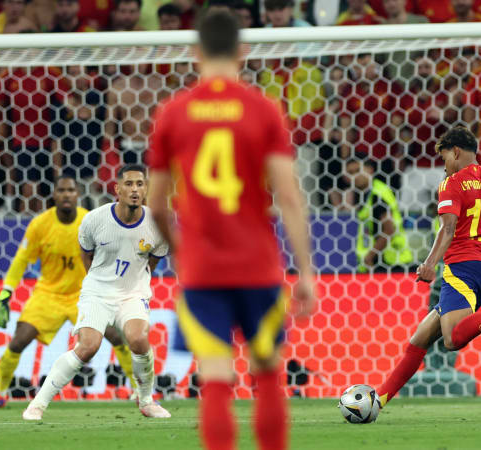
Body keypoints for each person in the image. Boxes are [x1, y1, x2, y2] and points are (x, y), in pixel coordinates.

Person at [146, 11, 316, 450]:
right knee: (266, 373)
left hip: (204, 270)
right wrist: (306, 272)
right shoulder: (262, 110)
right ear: (243, 52)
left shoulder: (174, 113)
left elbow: (156, 204)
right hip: (258, 265)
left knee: (217, 379)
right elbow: (289, 198)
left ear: (196, 53)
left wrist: (181, 247)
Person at [377, 126, 481, 408]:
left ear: (455, 151)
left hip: (461, 268)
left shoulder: (451, 184)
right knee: (419, 340)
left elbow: (448, 228)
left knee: (451, 339)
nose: (444, 167)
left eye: (444, 159)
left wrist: (429, 264)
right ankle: (378, 399)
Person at [22, 164, 170, 420]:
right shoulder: (94, 220)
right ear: (117, 189)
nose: (135, 189)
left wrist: (133, 283)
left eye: (140, 184)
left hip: (133, 293)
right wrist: (101, 282)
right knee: (88, 346)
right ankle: (37, 404)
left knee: (138, 340)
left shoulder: (157, 224)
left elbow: (151, 263)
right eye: (129, 184)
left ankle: (146, 401)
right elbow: (86, 257)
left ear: (146, 189)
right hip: (98, 292)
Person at [0, 175, 136, 410]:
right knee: (19, 340)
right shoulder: (40, 225)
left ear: (77, 194)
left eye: (71, 190)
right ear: (54, 195)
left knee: (117, 336)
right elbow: (20, 261)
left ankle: (139, 390)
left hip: (85, 294)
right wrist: (5, 294)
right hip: (48, 295)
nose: (66, 194)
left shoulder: (90, 220)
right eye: (61, 190)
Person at [344, 158, 413, 273]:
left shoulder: (378, 195)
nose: (354, 176)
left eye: (358, 170)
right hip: (382, 261)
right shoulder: (365, 193)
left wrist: (369, 256)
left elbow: (389, 230)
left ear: (370, 170)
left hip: (390, 263)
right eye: (350, 173)